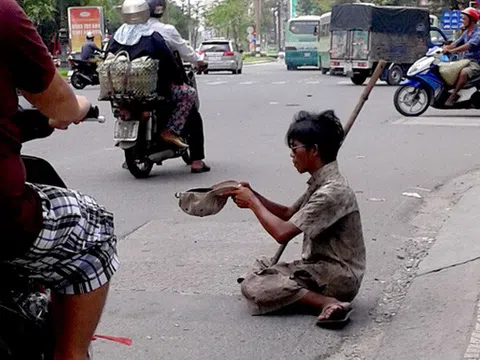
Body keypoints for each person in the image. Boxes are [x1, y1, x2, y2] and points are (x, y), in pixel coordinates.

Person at [0, 1, 119, 359]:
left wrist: (34, 122)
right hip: (5, 220)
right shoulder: (5, 15)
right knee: (95, 232)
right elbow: (63, 105)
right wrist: (78, 107)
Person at [225, 110, 366, 327]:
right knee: (259, 271)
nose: (291, 155)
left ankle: (327, 302)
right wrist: (253, 193)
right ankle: (299, 296)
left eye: (294, 148)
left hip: (337, 277)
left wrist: (253, 202)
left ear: (314, 150)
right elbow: (289, 213)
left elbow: (282, 233)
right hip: (319, 269)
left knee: (256, 284)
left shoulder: (332, 192)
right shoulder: (321, 183)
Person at [107, 0, 196, 149]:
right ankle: (171, 130)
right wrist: (178, 79)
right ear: (145, 13)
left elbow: (107, 58)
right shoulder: (152, 36)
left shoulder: (115, 37)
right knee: (188, 93)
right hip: (154, 88)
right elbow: (168, 61)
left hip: (122, 89)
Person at [145, 0, 211, 173]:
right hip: (162, 86)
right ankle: (195, 159)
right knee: (190, 103)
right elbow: (185, 51)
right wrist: (199, 61)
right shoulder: (165, 30)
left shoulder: (125, 31)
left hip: (132, 88)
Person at [443, 7, 480, 106]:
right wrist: (444, 48)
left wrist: (451, 51)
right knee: (447, 68)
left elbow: (468, 46)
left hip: (475, 62)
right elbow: (455, 43)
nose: (462, 21)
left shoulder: (478, 33)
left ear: (472, 20)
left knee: (464, 72)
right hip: (464, 61)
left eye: (464, 19)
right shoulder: (466, 32)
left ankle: (453, 96)